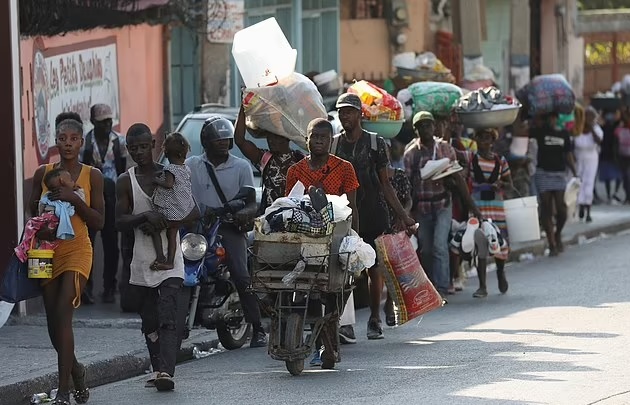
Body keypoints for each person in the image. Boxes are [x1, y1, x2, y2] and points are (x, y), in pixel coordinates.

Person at [29, 115, 104, 405]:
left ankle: (63, 391)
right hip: (46, 251)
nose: (68, 144)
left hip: (77, 250)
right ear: (56, 142)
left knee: (63, 313)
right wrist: (41, 224)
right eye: (63, 139)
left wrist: (75, 200)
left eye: (74, 139)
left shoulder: (91, 175)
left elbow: (99, 221)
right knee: (52, 322)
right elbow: (32, 214)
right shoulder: (42, 173)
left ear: (81, 142)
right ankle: (76, 370)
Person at [116, 123, 195, 391]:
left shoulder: (170, 173)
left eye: (143, 146)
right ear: (128, 149)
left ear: (153, 144)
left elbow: (193, 212)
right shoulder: (125, 181)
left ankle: (165, 372)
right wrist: (143, 217)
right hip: (141, 261)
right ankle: (157, 367)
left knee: (168, 314)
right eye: (133, 148)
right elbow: (118, 221)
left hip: (172, 262)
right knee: (149, 319)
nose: (139, 152)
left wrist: (165, 221)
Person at [332, 93, 416, 340]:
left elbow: (386, 184)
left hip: (373, 213)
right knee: (342, 269)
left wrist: (403, 215)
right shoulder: (334, 144)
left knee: (374, 268)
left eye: (349, 111)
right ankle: (343, 323)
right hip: (344, 215)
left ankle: (375, 318)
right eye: (341, 111)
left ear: (360, 115)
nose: (345, 116)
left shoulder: (375, 143)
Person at [186, 115, 267, 347]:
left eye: (226, 139)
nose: (222, 143)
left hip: (229, 227)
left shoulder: (241, 166)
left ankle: (258, 327)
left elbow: (251, 201)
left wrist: (243, 213)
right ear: (206, 141)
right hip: (199, 228)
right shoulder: (192, 165)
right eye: (217, 139)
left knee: (241, 275)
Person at [285, 117, 360, 366]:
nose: (318, 141)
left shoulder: (345, 168)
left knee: (334, 294)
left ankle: (329, 343)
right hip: (303, 239)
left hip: (335, 239)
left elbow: (352, 207)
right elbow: (289, 206)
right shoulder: (295, 171)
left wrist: (353, 238)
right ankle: (318, 346)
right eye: (314, 136)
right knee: (310, 290)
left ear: (331, 141)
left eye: (323, 137)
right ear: (306, 139)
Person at [404, 111, 481, 300]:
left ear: (434, 127)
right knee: (426, 249)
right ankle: (430, 286)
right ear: (416, 130)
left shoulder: (445, 149)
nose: (426, 129)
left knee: (440, 245)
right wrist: (406, 212)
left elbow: (458, 178)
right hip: (422, 207)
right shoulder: (411, 153)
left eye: (428, 125)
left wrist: (472, 206)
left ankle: (442, 287)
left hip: (442, 204)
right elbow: (407, 185)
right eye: (421, 126)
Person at [80, 103, 127, 304]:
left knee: (111, 244)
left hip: (112, 197)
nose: (107, 125)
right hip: (90, 198)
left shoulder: (119, 142)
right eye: (102, 122)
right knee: (87, 243)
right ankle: (86, 287)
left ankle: (110, 286)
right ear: (93, 122)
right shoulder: (85, 144)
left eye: (109, 121)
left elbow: (123, 170)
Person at [465, 128, 513, 298]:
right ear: (476, 139)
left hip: (496, 208)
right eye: (481, 138)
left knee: (499, 241)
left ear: (492, 141)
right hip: (478, 207)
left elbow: (510, 184)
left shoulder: (501, 161)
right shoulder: (471, 160)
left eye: (488, 138)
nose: (485, 142)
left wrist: (500, 184)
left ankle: (501, 272)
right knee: (480, 243)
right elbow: (465, 182)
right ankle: (482, 285)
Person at [234, 106, 305, 214]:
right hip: (269, 218)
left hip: (294, 217)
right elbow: (240, 141)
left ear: (287, 138)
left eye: (276, 137)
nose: (271, 141)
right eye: (269, 137)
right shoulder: (265, 158)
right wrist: (243, 107)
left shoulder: (299, 160)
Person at [529, 112, 578, 256]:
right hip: (542, 172)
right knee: (546, 207)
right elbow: (526, 132)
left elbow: (568, 153)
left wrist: (575, 171)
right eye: (548, 117)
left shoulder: (564, 133)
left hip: (559, 174)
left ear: (557, 118)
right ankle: (552, 242)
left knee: (562, 209)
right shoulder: (540, 132)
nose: (551, 119)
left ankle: (558, 233)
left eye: (553, 117)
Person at [16, 169, 86, 261]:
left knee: (36, 233)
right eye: (71, 180)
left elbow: (80, 200)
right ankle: (26, 248)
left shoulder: (72, 195)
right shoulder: (50, 196)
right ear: (62, 182)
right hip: (48, 225)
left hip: (66, 242)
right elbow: (38, 208)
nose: (74, 182)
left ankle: (26, 248)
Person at [150, 133, 197, 270]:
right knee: (172, 234)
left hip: (173, 211)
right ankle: (170, 261)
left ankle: (160, 257)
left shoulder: (170, 169)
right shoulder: (186, 169)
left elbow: (169, 184)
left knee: (154, 229)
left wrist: (157, 181)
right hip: (184, 209)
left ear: (166, 152)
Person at [575, 106, 603, 221]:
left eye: (591, 116)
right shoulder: (577, 129)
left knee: (589, 182)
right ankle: (580, 206)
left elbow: (599, 141)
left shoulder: (596, 129)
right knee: (579, 181)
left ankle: (588, 210)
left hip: (591, 158)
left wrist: (591, 128)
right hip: (578, 157)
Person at [599, 109, 623, 203]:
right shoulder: (603, 127)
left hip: (615, 155)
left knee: (618, 176)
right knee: (607, 177)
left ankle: (615, 193)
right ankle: (610, 195)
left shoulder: (617, 126)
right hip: (606, 154)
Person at [615, 110, 630, 204]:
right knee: (625, 177)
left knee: (627, 177)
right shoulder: (619, 130)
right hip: (623, 156)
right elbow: (615, 144)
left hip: (625, 156)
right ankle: (628, 196)